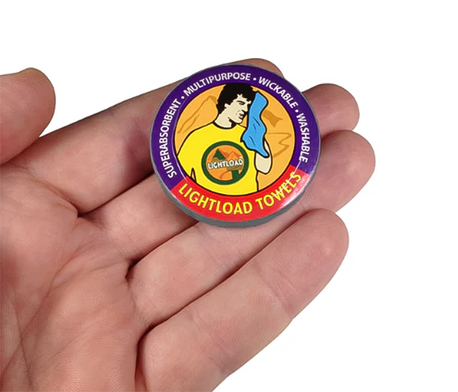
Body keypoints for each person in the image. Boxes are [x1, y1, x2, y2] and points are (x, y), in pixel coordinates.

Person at [0, 59, 375, 392]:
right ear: (225, 104)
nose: (244, 113)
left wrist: (259, 141)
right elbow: (191, 181)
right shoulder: (195, 137)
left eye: (248, 109)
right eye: (241, 106)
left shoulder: (249, 134)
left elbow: (263, 173)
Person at [177, 83, 272, 194]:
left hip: (248, 202)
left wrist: (258, 137)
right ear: (227, 103)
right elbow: (177, 179)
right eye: (241, 103)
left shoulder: (250, 135)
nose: (245, 109)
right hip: (210, 203)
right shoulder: (196, 138)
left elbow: (264, 168)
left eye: (248, 105)